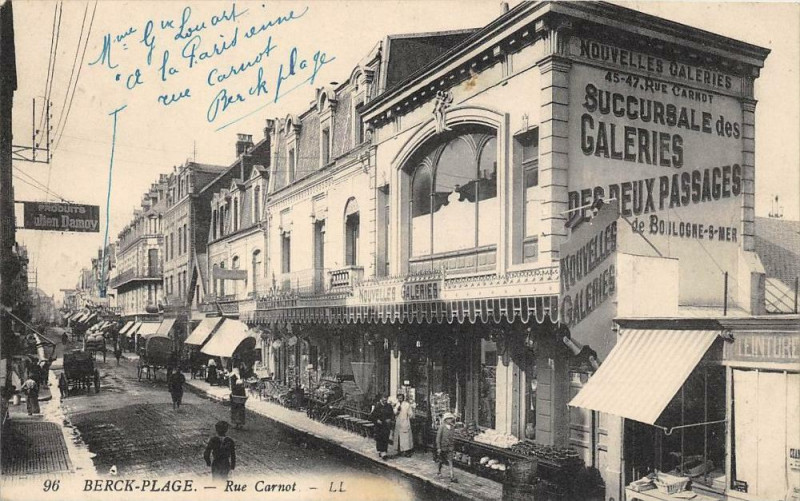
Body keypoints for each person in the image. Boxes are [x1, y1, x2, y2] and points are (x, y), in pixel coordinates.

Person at [369, 394, 395, 459]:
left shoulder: (389, 406)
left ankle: (384, 452)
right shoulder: (377, 406)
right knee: (380, 438)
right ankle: (381, 451)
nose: (385, 400)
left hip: (386, 425)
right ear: (381, 399)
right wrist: (377, 420)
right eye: (384, 399)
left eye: (386, 399)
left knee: (385, 438)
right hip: (379, 426)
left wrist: (390, 419)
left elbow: (392, 415)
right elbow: (372, 416)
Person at [436, 412, 458, 482]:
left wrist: (452, 443)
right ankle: (439, 471)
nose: (450, 420)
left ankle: (452, 476)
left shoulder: (452, 427)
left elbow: (453, 437)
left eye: (451, 419)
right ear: (445, 420)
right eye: (448, 419)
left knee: (450, 461)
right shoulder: (442, 427)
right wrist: (438, 447)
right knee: (441, 461)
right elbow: (438, 438)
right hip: (443, 447)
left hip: (450, 447)